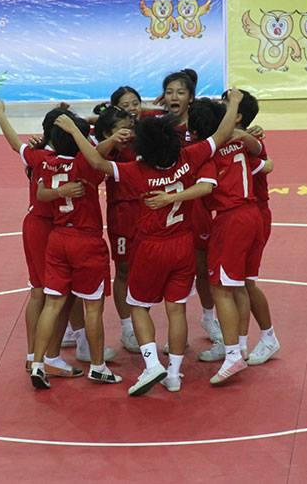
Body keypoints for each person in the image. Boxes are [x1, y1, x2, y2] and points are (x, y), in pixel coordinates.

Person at [56, 88, 244, 395]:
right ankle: (174, 375)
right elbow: (222, 135)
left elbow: (96, 162)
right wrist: (234, 103)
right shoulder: (188, 158)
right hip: (183, 244)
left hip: (151, 247)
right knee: (177, 309)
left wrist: (75, 132)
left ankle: (152, 364)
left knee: (138, 306)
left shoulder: (136, 171)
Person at [0, 99, 86, 378]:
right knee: (51, 292)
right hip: (48, 227)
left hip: (38, 225)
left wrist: (0, 115)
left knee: (41, 291)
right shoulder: (72, 159)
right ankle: (43, 356)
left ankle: (36, 354)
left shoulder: (37, 155)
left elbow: (14, 143)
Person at [176, 96, 269, 384]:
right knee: (237, 285)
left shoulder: (206, 153)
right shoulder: (240, 143)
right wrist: (245, 134)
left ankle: (232, 355)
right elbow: (266, 164)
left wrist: (169, 198)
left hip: (231, 220)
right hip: (253, 214)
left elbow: (205, 188)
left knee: (220, 288)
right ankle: (239, 346)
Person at [161, 69, 224, 345]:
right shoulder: (159, 128)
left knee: (201, 267)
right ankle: (177, 332)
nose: (174, 96)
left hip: (196, 207)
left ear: (191, 97)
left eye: (180, 92)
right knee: (173, 271)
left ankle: (209, 318)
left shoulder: (202, 126)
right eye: (169, 92)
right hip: (166, 208)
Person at [93, 105, 141, 353]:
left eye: (130, 127)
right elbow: (95, 155)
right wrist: (112, 139)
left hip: (147, 211)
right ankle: (127, 328)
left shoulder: (140, 142)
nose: (128, 133)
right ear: (107, 132)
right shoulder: (107, 149)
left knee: (147, 269)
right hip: (121, 215)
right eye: (123, 129)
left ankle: (143, 322)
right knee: (123, 270)